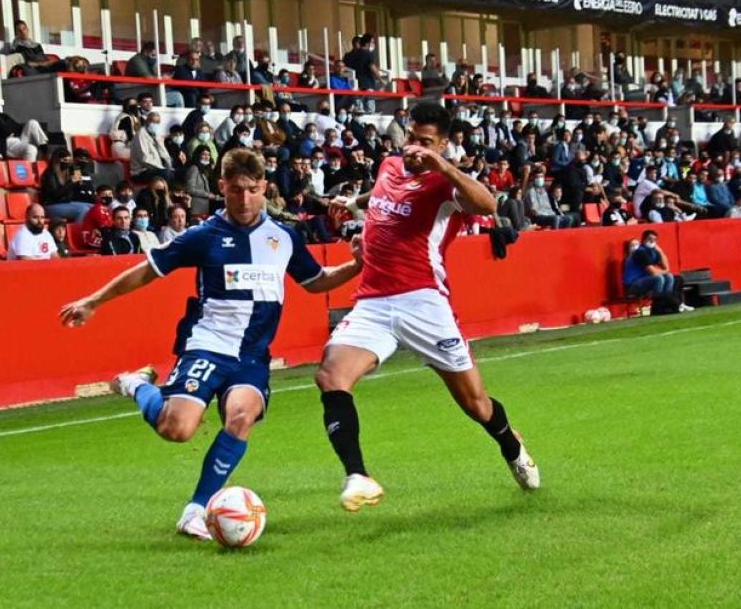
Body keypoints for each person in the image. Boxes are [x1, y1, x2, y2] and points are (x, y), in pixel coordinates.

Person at [60, 148, 364, 539]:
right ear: (222, 187)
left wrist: (355, 266)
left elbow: (314, 281)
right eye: (235, 189)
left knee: (241, 416)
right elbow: (147, 271)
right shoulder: (203, 236)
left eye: (253, 190)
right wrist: (93, 301)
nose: (244, 198)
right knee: (178, 429)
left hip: (252, 356)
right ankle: (137, 385)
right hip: (207, 345)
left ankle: (196, 509)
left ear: (264, 188)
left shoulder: (283, 237)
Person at [314, 102, 540, 512]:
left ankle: (511, 444)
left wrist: (444, 166)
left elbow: (488, 205)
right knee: (331, 376)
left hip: (423, 303)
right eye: (412, 139)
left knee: (475, 404)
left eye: (426, 143)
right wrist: (353, 204)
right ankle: (359, 476)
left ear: (443, 145)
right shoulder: (388, 166)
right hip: (374, 301)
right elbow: (380, 193)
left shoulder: (445, 185)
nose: (415, 149)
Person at [622, 231, 693, 313]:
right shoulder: (640, 252)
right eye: (650, 239)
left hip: (644, 281)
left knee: (669, 277)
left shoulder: (652, 251)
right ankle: (657, 306)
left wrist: (660, 251)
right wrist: (664, 271)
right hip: (633, 285)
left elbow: (666, 267)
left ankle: (668, 305)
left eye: (654, 239)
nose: (652, 241)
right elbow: (653, 272)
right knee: (659, 278)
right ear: (644, 239)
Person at [0, 94, 49, 160]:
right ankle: (29, 172)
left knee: (32, 123)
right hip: (6, 144)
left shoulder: (2, 115)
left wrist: (10, 128)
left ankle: (45, 151)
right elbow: (4, 131)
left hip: (17, 138)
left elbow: (16, 126)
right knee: (31, 149)